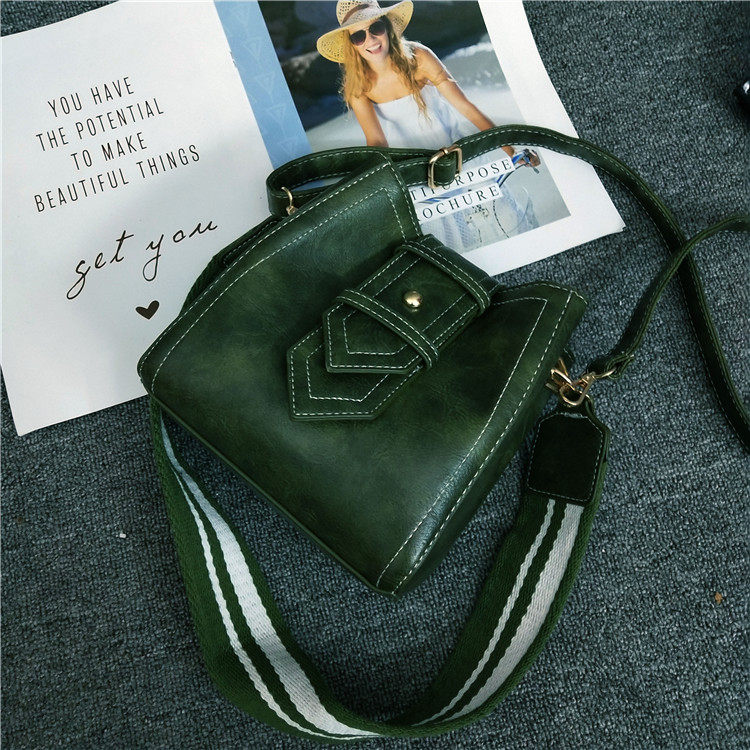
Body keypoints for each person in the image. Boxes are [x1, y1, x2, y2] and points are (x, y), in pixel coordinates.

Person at [316, 0, 541, 249]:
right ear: (352, 45)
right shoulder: (358, 86)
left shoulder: (419, 58)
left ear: (387, 27)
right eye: (358, 36)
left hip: (458, 156)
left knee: (504, 221)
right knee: (453, 245)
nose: (370, 40)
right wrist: (374, 194)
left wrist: (511, 150)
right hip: (417, 175)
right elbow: (377, 142)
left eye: (375, 28)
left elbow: (466, 108)